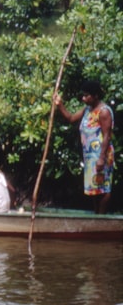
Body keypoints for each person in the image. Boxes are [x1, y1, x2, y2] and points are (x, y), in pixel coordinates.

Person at [54, 79, 115, 214]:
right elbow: (70, 118)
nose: (83, 98)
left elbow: (106, 136)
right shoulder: (87, 110)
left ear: (95, 96)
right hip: (90, 157)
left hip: (101, 156)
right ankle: (96, 216)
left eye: (86, 95)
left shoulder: (104, 112)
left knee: (103, 188)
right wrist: (60, 104)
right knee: (94, 189)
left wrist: (101, 158)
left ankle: (101, 218)